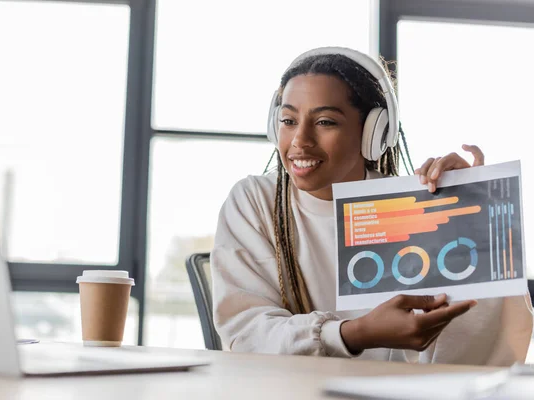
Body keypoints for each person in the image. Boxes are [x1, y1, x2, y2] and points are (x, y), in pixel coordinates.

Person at [210, 47, 533, 365]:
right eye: (288, 120)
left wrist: (476, 219)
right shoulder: (255, 200)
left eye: (324, 121)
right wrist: (355, 334)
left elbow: (485, 352)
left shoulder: (415, 207)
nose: (300, 140)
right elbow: (247, 336)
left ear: (374, 133)